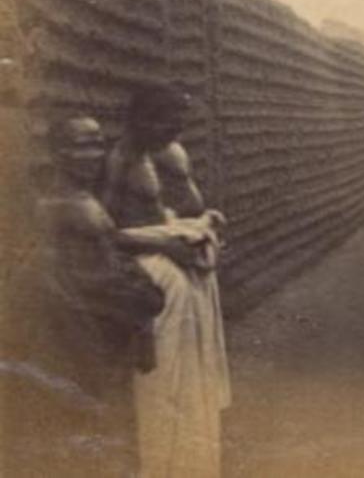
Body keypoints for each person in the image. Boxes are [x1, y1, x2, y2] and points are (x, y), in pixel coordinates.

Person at [103, 84, 230, 478]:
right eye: (167, 125)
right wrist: (166, 242)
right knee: (164, 379)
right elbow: (108, 232)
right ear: (140, 119)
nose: (174, 134)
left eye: (179, 126)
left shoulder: (167, 154)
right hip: (157, 281)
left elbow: (182, 207)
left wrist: (202, 222)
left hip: (185, 274)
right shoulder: (118, 162)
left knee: (193, 379)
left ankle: (194, 461)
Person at [34, 116, 166, 477]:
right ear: (57, 152)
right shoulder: (56, 208)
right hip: (91, 339)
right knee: (103, 436)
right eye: (80, 145)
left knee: (119, 433)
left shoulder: (85, 199)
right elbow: (68, 284)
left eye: (96, 144)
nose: (92, 154)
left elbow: (112, 263)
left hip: (113, 335)